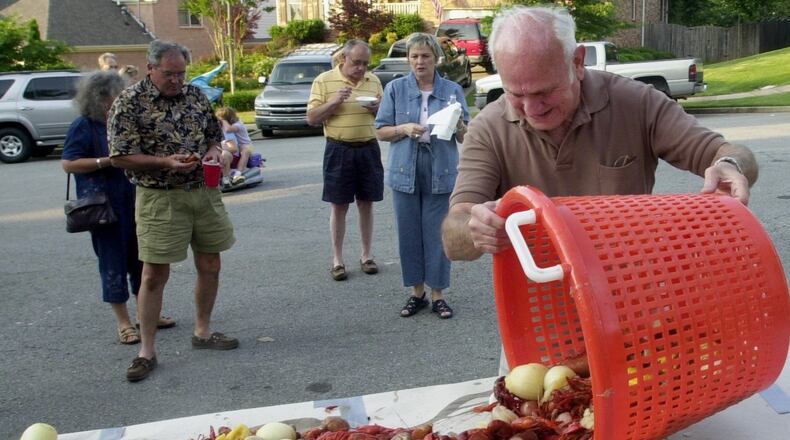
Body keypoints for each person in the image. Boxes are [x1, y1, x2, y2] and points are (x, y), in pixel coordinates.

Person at [440, 6, 757, 373]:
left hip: (634, 317)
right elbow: (454, 234)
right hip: (540, 326)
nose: (531, 108)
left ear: (577, 61)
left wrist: (729, 166)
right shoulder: (489, 128)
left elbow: (731, 153)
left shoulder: (636, 102)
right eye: (515, 93)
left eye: (544, 91)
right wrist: (476, 229)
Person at [108, 40, 239, 383]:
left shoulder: (195, 96)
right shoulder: (129, 102)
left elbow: (214, 137)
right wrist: (164, 161)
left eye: (182, 73)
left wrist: (216, 153)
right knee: (154, 274)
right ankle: (146, 351)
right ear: (150, 68)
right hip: (159, 196)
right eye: (170, 74)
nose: (177, 80)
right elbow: (120, 155)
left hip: (203, 192)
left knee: (211, 264)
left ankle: (202, 331)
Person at [61, 70, 177, 346]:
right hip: (104, 205)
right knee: (112, 262)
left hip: (134, 199)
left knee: (142, 259)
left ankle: (146, 314)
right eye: (118, 94)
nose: (125, 98)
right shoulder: (85, 126)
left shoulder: (124, 122)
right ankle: (124, 323)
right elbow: (69, 163)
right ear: (102, 99)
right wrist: (107, 161)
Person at [375, 33, 470, 319]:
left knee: (439, 234)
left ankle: (438, 294)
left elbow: (466, 136)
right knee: (409, 234)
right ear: (408, 59)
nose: (419, 61)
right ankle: (417, 293)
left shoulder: (453, 89)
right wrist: (403, 129)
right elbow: (380, 131)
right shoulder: (395, 88)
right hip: (405, 166)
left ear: (436, 58)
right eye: (414, 56)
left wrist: (459, 124)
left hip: (440, 167)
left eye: (425, 56)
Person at [306, 40, 384, 281]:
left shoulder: (374, 81)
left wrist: (377, 109)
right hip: (338, 149)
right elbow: (311, 118)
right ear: (343, 59)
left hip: (368, 147)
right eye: (356, 62)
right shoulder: (324, 80)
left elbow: (386, 115)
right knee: (339, 205)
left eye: (365, 64)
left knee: (366, 203)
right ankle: (337, 260)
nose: (361, 68)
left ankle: (366, 256)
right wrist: (334, 101)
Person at [215, 106, 252, 187]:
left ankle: (237, 174)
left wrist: (223, 120)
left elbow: (228, 130)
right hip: (236, 147)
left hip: (244, 145)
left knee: (246, 151)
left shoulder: (237, 125)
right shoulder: (225, 129)